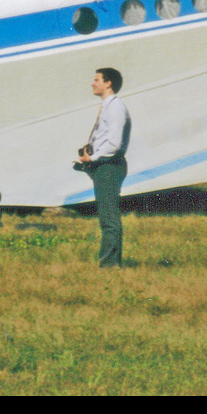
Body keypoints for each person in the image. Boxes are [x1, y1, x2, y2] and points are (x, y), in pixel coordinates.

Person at [76, 67, 131, 267]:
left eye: (97, 79)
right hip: (103, 164)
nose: (93, 83)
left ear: (108, 83)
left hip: (109, 165)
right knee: (107, 216)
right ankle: (109, 261)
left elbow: (114, 144)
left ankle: (109, 265)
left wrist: (94, 158)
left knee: (109, 218)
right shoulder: (108, 106)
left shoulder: (115, 108)